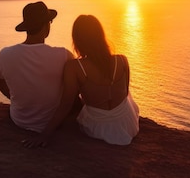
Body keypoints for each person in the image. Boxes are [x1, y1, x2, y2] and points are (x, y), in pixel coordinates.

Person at [22, 14, 139, 148]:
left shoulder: (75, 67)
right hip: (127, 124)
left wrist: (45, 134)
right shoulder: (122, 60)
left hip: (98, 128)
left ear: (77, 39)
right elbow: (124, 93)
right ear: (101, 36)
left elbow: (66, 104)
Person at [0, 1, 74, 132]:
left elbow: (0, 83)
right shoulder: (64, 55)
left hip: (19, 119)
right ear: (46, 26)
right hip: (51, 122)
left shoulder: (5, 54)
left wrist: (19, 100)